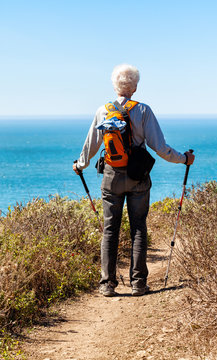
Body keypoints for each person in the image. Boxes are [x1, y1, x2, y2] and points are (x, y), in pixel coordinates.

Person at [73, 64, 195, 297]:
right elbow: (160, 148)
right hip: (138, 177)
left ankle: (107, 284)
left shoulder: (103, 111)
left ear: (115, 86)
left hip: (111, 177)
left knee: (110, 230)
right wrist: (184, 159)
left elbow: (90, 147)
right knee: (138, 227)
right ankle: (139, 283)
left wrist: (79, 165)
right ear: (135, 87)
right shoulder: (143, 110)